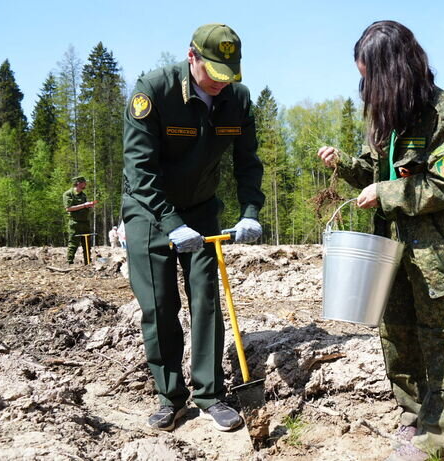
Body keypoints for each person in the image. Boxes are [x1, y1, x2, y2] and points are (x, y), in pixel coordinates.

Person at [317, 22, 444, 461]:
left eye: (371, 78)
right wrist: (347, 166)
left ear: (394, 72)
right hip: (395, 247)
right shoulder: (394, 119)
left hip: (441, 251)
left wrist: (385, 192)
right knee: (396, 335)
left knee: (440, 342)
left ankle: (437, 442)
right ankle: (412, 414)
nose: (366, 89)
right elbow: (383, 177)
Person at [121, 23, 264, 433]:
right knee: (160, 306)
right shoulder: (155, 90)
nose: (221, 82)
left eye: (228, 73)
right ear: (191, 58)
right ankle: (170, 398)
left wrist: (250, 210)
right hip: (150, 213)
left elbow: (248, 162)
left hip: (201, 210)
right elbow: (140, 169)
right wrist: (170, 223)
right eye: (213, 72)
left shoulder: (237, 99)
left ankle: (210, 394)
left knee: (206, 301)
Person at [62, 176, 98, 264]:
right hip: (75, 222)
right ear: (78, 183)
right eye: (84, 182)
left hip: (85, 222)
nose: (85, 184)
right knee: (73, 243)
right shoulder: (68, 194)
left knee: (86, 243)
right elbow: (68, 208)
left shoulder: (83, 195)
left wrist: (89, 205)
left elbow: (84, 206)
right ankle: (69, 262)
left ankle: (88, 262)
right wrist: (84, 205)